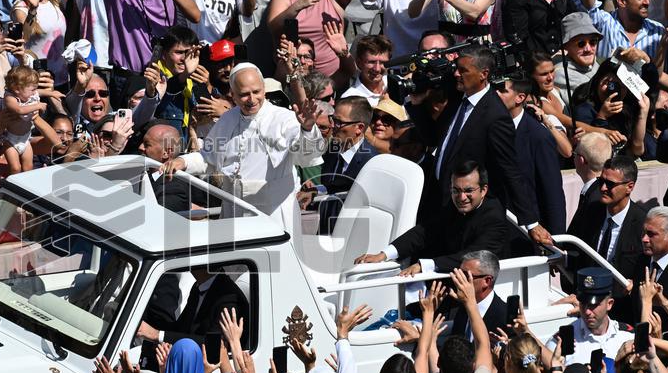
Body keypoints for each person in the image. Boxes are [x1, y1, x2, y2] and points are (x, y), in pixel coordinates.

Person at [407, 45, 548, 246]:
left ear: (484, 74)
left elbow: (510, 170)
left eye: (463, 70)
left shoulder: (496, 117)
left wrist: (532, 223)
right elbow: (433, 139)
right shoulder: (458, 100)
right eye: (456, 68)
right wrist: (416, 103)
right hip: (438, 204)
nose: (456, 74)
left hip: (467, 215)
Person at [160, 64, 324, 232]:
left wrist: (307, 130)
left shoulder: (284, 118)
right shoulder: (227, 119)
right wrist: (182, 161)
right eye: (244, 94)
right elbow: (208, 158)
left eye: (256, 92)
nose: (252, 99)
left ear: (264, 90)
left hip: (274, 213)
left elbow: (306, 158)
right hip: (234, 209)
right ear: (233, 95)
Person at [357, 161, 509, 276]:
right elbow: (425, 231)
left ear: (483, 190)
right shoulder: (453, 205)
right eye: (456, 190)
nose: (462, 197)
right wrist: (383, 255)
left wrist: (424, 265)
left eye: (468, 191)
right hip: (449, 276)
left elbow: (473, 257)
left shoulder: (494, 219)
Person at [496, 76, 567, 235]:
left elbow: (552, 192)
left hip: (524, 232)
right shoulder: (492, 128)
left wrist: (556, 240)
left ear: (520, 98)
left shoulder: (538, 136)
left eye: (502, 91)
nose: (495, 94)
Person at [568, 155, 649, 280]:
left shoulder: (642, 223)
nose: (603, 188)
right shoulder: (590, 211)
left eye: (610, 184)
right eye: (600, 181)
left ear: (629, 187)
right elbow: (571, 246)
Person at [546, 268, 633, 366]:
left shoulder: (627, 336)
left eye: (593, 305)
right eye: (583, 304)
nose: (587, 312)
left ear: (609, 304)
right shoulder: (561, 342)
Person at [315, 96, 374, 235]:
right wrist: (317, 190)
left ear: (359, 128)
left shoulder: (371, 164)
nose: (332, 126)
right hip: (325, 234)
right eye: (333, 119)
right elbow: (334, 186)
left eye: (339, 122)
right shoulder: (332, 149)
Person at [582, 0, 664, 61]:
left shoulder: (657, 31)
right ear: (622, 1)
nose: (647, 2)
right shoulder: (605, 22)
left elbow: (661, 71)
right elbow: (590, 9)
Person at [571, 132, 614, 214]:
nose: (573, 157)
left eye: (574, 154)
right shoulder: (606, 193)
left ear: (581, 160)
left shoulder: (594, 200)